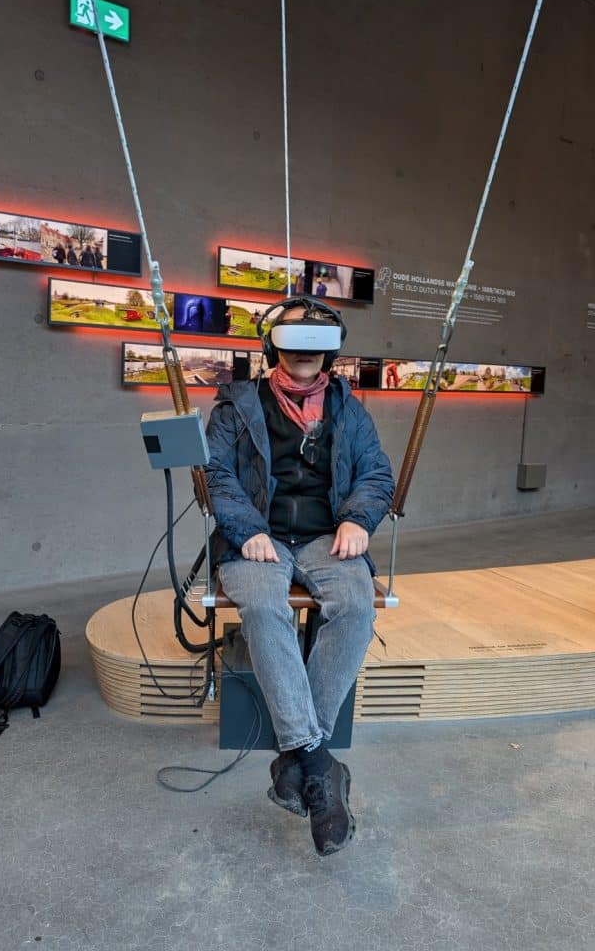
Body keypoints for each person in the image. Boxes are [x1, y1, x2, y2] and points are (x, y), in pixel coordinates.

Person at [205, 298, 394, 856]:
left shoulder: (348, 410)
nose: (303, 362)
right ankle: (317, 764)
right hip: (257, 536)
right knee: (265, 608)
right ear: (273, 350)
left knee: (356, 608)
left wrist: (359, 518)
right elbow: (216, 474)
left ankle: (297, 760)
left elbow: (376, 473)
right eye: (293, 351)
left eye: (314, 354)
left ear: (328, 355)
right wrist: (244, 529)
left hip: (324, 536)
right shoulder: (236, 406)